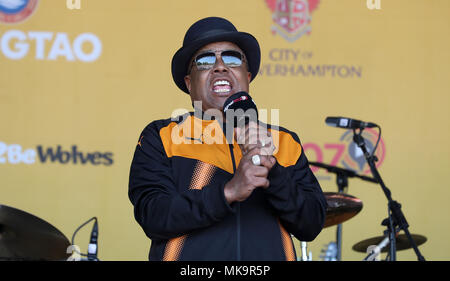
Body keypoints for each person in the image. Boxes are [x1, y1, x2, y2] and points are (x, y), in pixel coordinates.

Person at [128, 17, 327, 261]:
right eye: (204, 60)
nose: (220, 66)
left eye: (232, 58)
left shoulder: (284, 141)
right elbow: (153, 215)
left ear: (248, 76)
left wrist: (271, 172)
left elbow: (311, 224)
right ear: (189, 83)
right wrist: (228, 192)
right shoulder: (161, 137)